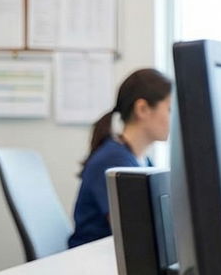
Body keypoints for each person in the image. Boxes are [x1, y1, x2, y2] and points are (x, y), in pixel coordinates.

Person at [68, 69, 172, 247]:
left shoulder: (142, 162)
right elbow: (135, 231)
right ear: (142, 109)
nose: (173, 117)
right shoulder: (114, 163)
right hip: (92, 263)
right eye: (169, 109)